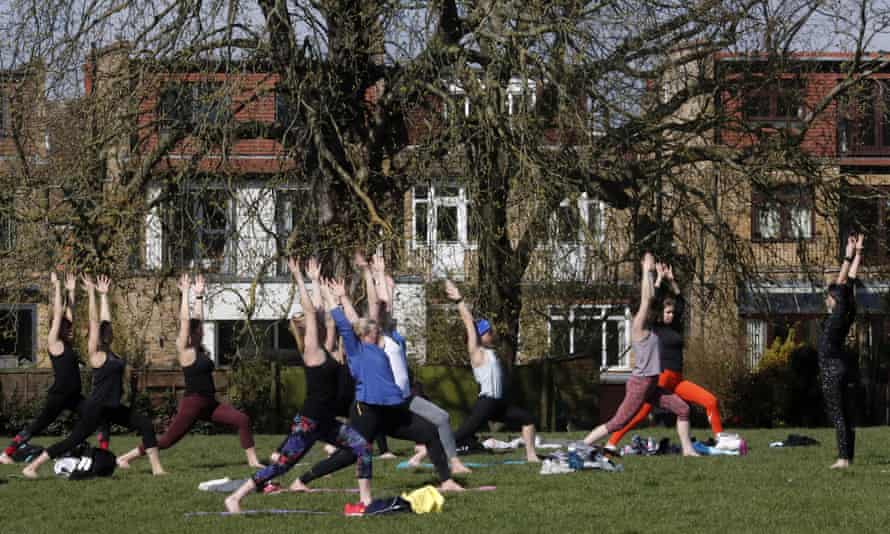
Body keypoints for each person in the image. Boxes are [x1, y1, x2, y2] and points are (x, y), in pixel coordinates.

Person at [225, 258, 373, 513]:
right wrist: (299, 278)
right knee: (282, 466)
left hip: (326, 423)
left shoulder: (326, 350)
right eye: (310, 320)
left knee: (362, 447)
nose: (316, 318)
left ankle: (366, 500)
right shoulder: (311, 351)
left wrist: (319, 284)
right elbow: (310, 309)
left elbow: (324, 317)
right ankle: (236, 497)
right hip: (309, 422)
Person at [323, 275, 464, 495]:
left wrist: (374, 284)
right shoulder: (357, 349)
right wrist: (336, 299)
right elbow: (349, 323)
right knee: (354, 451)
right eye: (374, 330)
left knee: (429, 431)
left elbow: (370, 316)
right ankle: (305, 479)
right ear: (365, 335)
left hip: (394, 407)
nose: (378, 330)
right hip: (370, 410)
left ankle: (446, 480)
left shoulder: (385, 342)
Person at [23, 275, 165, 477]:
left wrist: (104, 295)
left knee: (144, 424)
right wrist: (91, 293)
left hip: (112, 407)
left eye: (109, 330)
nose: (109, 332)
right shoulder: (95, 353)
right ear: (96, 335)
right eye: (104, 331)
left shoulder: (112, 354)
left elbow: (105, 321)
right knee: (72, 440)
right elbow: (95, 321)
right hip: (96, 408)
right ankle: (32, 466)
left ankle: (157, 468)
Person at [116, 274, 261, 470]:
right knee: (166, 441)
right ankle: (125, 457)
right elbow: (186, 321)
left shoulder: (198, 347)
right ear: (191, 333)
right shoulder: (185, 349)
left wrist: (199, 296)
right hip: (192, 404)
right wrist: (185, 294)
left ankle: (253, 461)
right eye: (198, 330)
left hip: (210, 404)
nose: (202, 331)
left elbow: (197, 319)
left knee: (242, 420)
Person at [357, 252, 471, 473]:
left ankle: (454, 463)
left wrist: (383, 277)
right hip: (388, 405)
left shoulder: (392, 336)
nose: (385, 314)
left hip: (406, 398)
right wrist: (371, 274)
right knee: (359, 442)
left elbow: (388, 306)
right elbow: (377, 305)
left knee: (442, 418)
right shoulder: (374, 344)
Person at [605, 263, 730, 451]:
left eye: (672, 312)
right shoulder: (653, 327)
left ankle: (721, 439)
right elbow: (651, 303)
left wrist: (672, 281)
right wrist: (658, 280)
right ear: (659, 314)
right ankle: (611, 443)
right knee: (639, 414)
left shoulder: (674, 327)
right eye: (668, 312)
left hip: (677, 381)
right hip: (661, 378)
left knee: (710, 401)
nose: (671, 315)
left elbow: (682, 304)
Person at [582, 253, 698, 456]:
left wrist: (661, 279)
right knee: (618, 422)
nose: (652, 309)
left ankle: (688, 450)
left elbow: (656, 299)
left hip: (652, 383)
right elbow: (648, 298)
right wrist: (646, 271)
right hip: (640, 383)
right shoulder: (638, 325)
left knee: (683, 409)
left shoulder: (651, 325)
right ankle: (582, 445)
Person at [1, 272, 109, 464]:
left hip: (74, 397)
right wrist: (57, 286)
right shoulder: (54, 343)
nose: (70, 329)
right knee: (38, 425)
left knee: (99, 417)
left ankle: (104, 455)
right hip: (58, 396)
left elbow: (69, 314)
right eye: (65, 327)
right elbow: (59, 313)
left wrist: (71, 291)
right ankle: (6, 453)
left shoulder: (66, 344)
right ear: (56, 328)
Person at [444, 280, 539, 463]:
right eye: (487, 332)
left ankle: (531, 455)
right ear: (479, 336)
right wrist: (459, 300)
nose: (491, 334)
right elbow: (468, 323)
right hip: (486, 403)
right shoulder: (476, 351)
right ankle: (426, 451)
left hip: (498, 403)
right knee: (462, 433)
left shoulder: (490, 352)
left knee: (527, 419)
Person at [819, 234, 863, 469]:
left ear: (835, 300)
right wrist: (858, 255)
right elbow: (850, 282)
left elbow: (842, 281)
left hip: (831, 370)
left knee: (838, 414)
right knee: (845, 414)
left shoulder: (837, 315)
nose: (827, 297)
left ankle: (843, 459)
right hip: (841, 367)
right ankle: (848, 456)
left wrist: (848, 255)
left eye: (829, 296)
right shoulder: (847, 311)